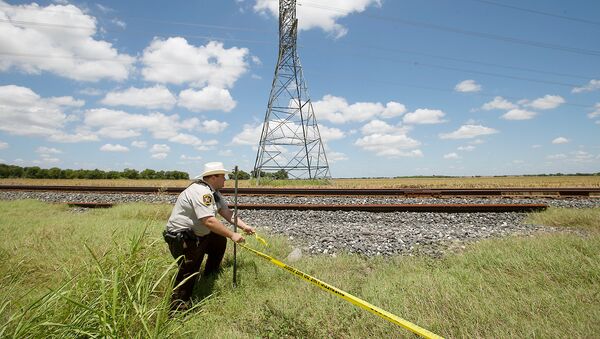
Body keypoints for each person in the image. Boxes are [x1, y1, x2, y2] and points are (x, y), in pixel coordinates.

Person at [163, 161, 255, 310]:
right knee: (189, 272)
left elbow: (226, 213)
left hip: (199, 233)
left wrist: (245, 227)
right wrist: (233, 235)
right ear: (213, 177)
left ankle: (210, 275)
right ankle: (177, 310)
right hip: (184, 237)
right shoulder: (202, 192)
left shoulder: (214, 193)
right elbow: (209, 221)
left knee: (218, 241)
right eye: (223, 176)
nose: (225, 179)